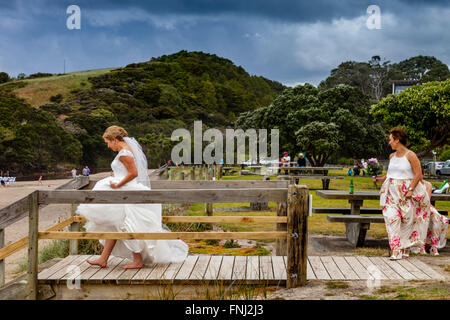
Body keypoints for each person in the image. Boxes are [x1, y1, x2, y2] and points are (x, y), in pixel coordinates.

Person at [76, 126, 188, 269]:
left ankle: (137, 261)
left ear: (115, 140)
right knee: (114, 223)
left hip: (125, 190)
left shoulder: (124, 153)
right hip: (123, 189)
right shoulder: (126, 150)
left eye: (108, 143)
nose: (108, 146)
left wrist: (118, 184)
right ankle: (103, 258)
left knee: (125, 225)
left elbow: (133, 173)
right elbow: (126, 171)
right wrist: (116, 177)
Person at [372, 128, 430, 260]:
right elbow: (389, 175)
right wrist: (378, 179)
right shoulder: (392, 156)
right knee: (392, 219)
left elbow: (418, 175)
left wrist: (410, 190)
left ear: (397, 140)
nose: (389, 142)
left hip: (406, 192)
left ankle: (406, 248)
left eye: (390, 139)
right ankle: (396, 250)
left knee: (407, 220)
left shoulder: (411, 155)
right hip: (391, 192)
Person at [417, 168, 448, 255]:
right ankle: (421, 245)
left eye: (420, 174)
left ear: (423, 175)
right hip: (415, 208)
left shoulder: (428, 184)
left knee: (436, 217)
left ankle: (434, 246)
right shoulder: (411, 184)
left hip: (427, 206)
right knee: (422, 218)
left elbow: (427, 199)